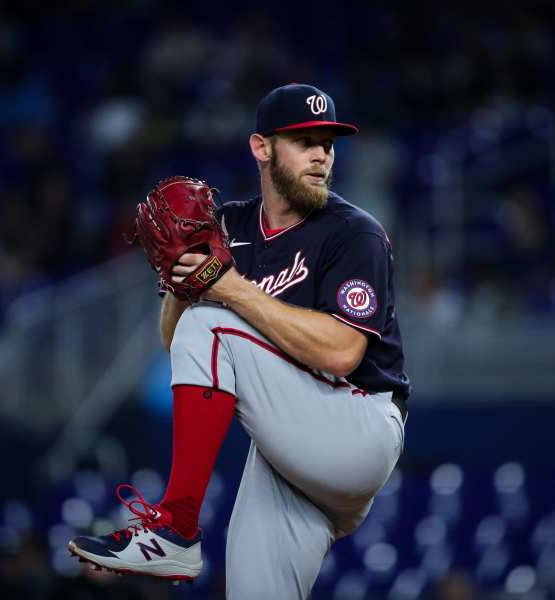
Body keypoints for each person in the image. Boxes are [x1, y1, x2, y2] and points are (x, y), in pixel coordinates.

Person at [69, 83, 410, 599]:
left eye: (329, 143)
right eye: (304, 141)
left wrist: (227, 287)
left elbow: (342, 353)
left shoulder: (353, 233)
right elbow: (175, 341)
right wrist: (180, 278)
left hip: (356, 424)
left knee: (212, 324)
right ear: (262, 147)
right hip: (290, 457)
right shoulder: (228, 226)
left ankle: (177, 527)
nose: (321, 155)